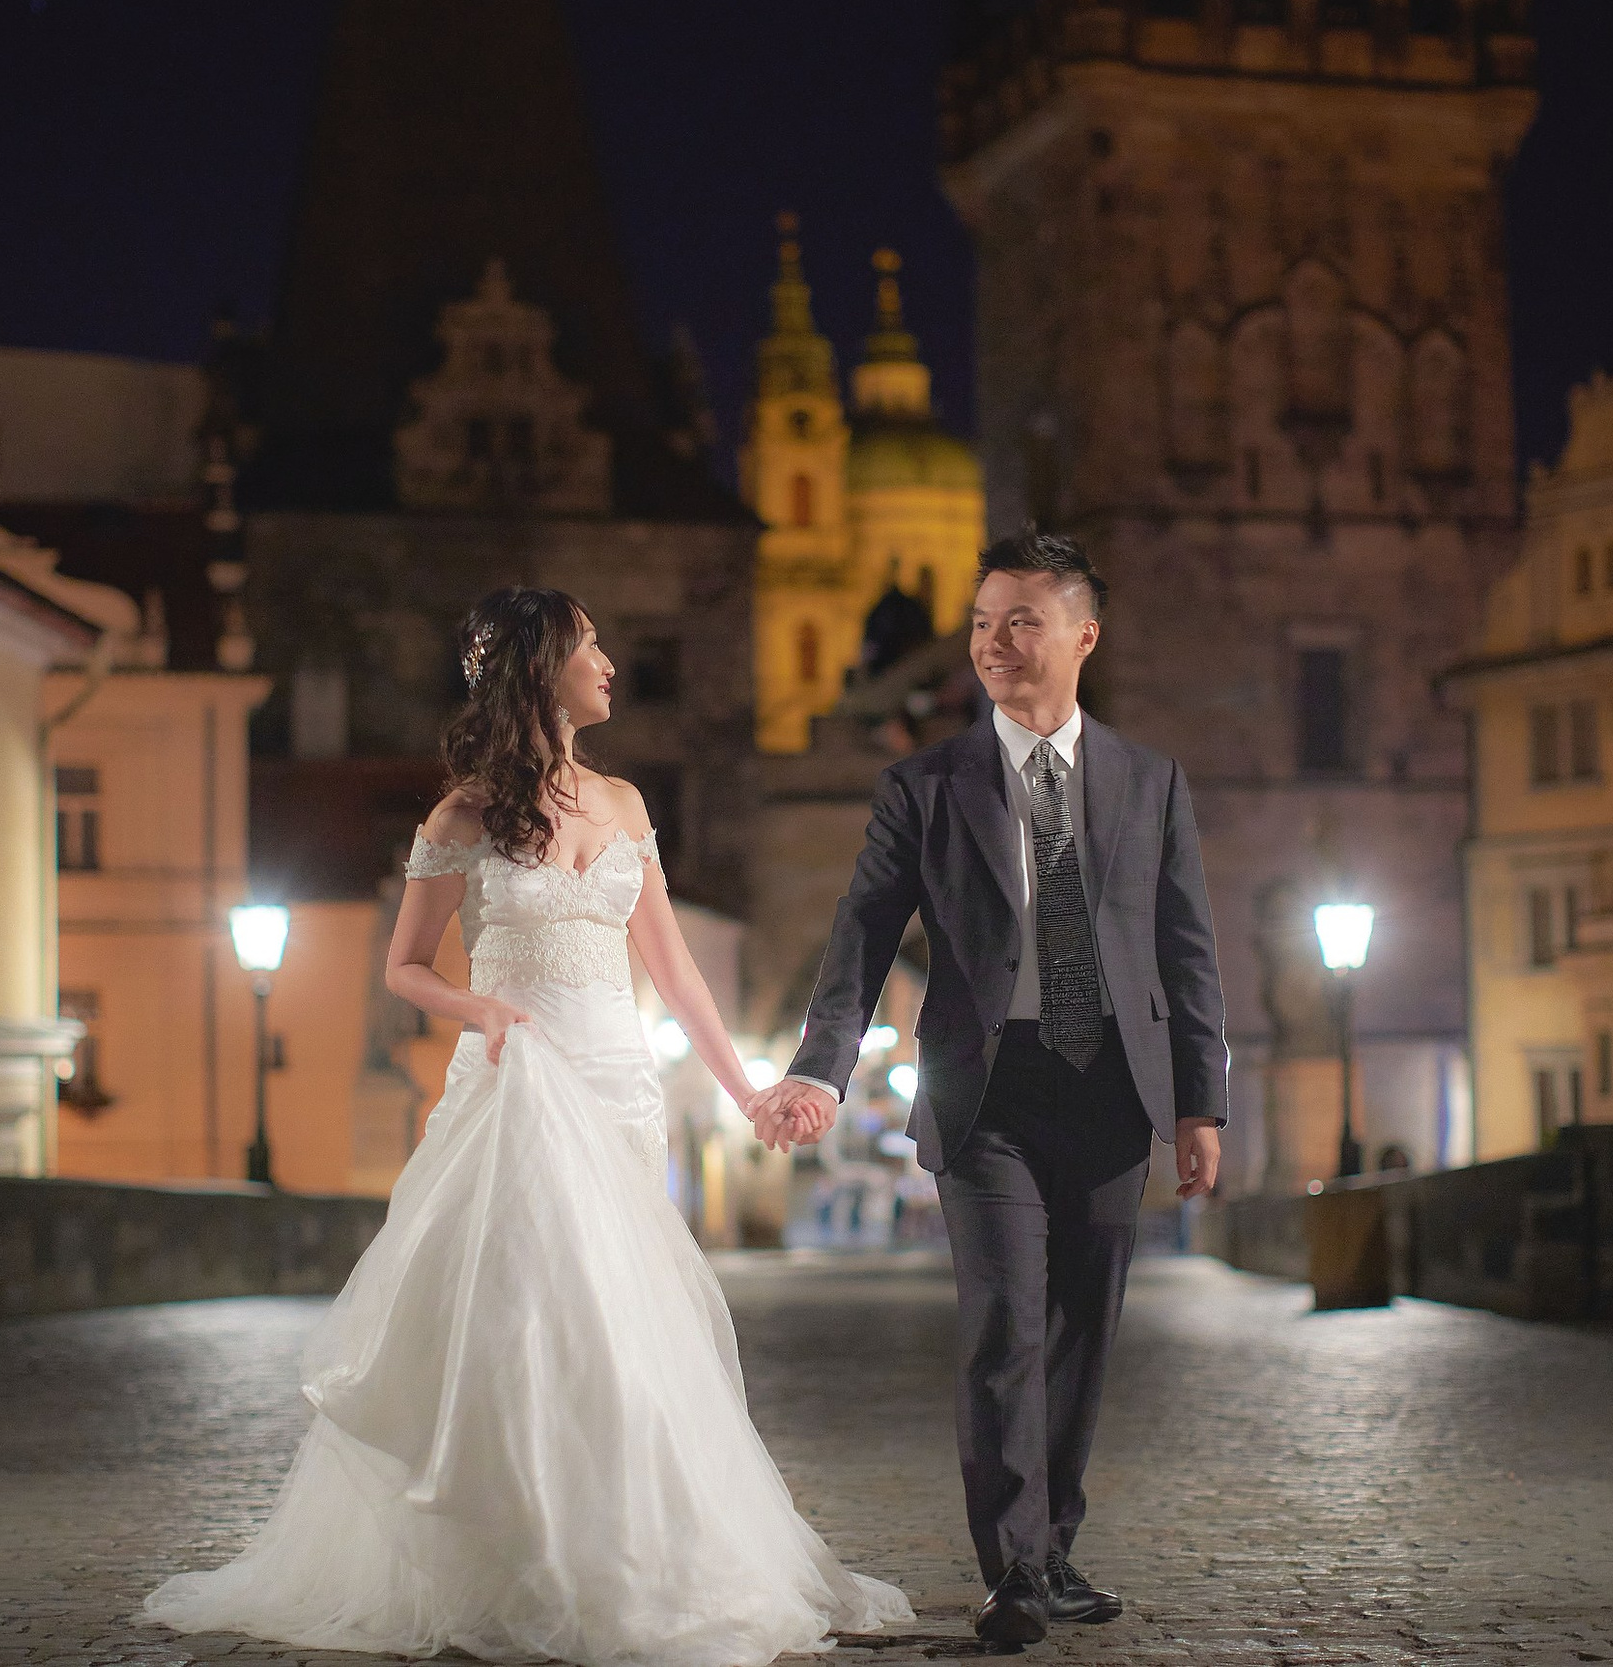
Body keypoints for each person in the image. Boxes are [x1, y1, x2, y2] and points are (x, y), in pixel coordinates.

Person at [143, 587, 910, 1666]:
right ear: (542, 666)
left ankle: (631, 1549)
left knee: (621, 1323)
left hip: (615, 1087)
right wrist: (479, 1007)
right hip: (513, 1082)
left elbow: (674, 967)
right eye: (591, 643)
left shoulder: (627, 802)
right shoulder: (459, 816)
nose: (607, 661)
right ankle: (514, 1551)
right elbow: (402, 965)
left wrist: (744, 1089)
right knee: (525, 1316)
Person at [748, 531, 1229, 1647]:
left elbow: (1186, 946)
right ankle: (1012, 1568)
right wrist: (819, 1067)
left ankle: (1053, 1544)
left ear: (1081, 634)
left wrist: (1198, 1102)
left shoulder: (1150, 781)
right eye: (980, 623)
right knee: (1004, 1322)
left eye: (1019, 620)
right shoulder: (924, 785)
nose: (993, 642)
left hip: (1113, 1085)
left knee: (1082, 1332)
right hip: (986, 1094)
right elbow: (861, 936)